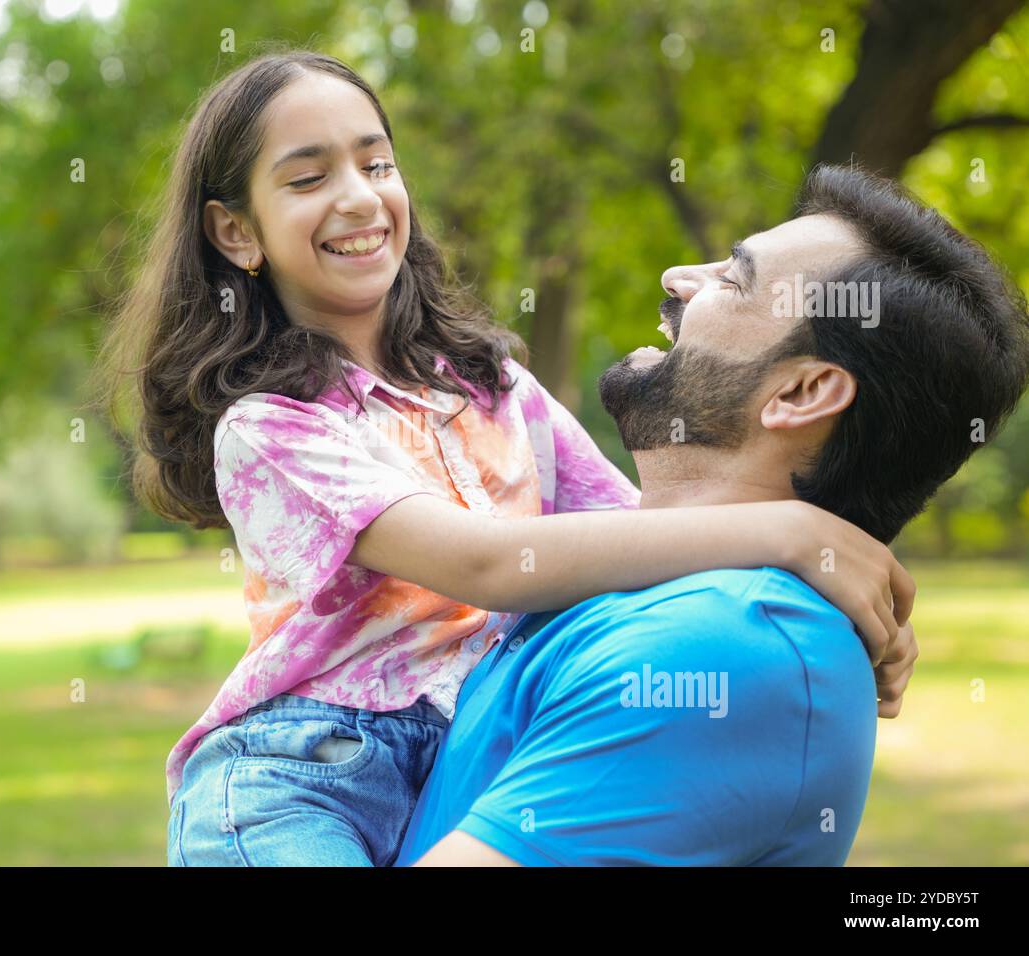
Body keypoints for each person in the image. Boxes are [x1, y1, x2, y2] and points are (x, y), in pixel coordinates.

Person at [102, 52, 914, 867]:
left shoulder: (493, 384)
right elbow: (484, 563)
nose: (359, 195)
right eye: (307, 179)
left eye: (376, 161)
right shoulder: (272, 429)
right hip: (300, 779)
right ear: (236, 232)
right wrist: (793, 533)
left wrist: (843, 603)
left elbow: (645, 533)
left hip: (450, 754)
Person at [395, 165, 1029, 866]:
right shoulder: (651, 584)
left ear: (802, 391)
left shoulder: (724, 646)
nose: (676, 276)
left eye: (734, 278)